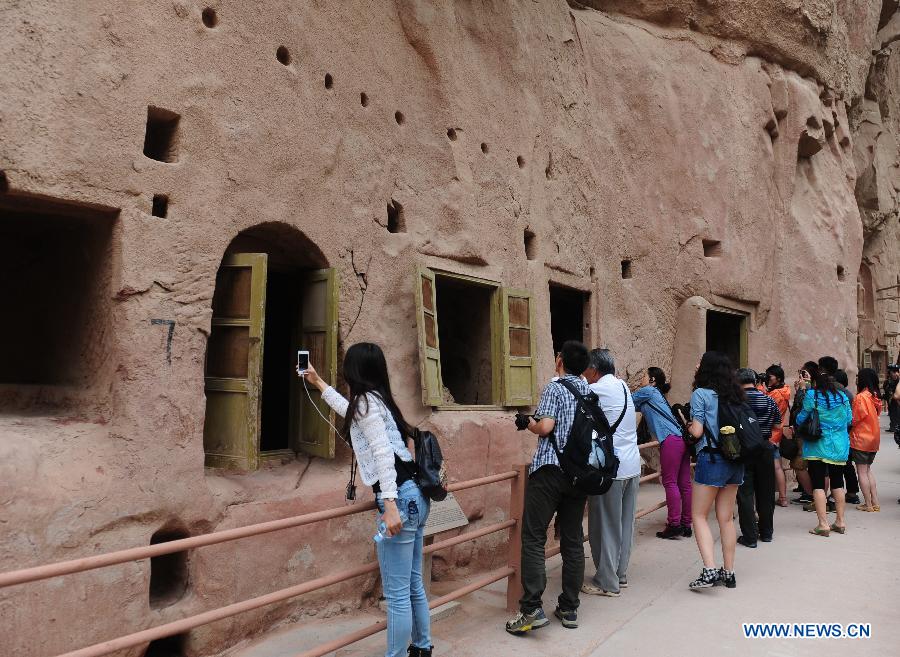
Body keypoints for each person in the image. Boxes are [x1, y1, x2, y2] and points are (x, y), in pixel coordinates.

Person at [299, 343, 433, 657]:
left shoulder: (367, 404)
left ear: (354, 370)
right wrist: (318, 382)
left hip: (399, 498)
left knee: (398, 594)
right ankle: (423, 647)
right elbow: (350, 412)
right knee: (413, 584)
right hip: (415, 494)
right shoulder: (375, 401)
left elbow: (384, 457)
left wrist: (389, 507)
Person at [506, 341, 591, 634]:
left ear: (560, 361)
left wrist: (528, 422)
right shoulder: (587, 391)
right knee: (572, 539)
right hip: (579, 475)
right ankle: (569, 607)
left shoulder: (555, 388)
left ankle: (531, 609)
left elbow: (546, 427)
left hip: (550, 471)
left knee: (533, 537)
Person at [582, 349, 639, 597]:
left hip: (610, 470)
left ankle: (606, 582)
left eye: (585, 369)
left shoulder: (596, 390)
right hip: (631, 465)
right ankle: (620, 573)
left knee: (604, 525)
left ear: (594, 370)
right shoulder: (623, 386)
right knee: (625, 523)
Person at [687, 351, 745, 590]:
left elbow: (697, 432)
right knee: (726, 518)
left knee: (699, 516)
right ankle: (728, 572)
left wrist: (689, 425)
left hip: (711, 459)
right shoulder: (735, 394)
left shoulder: (701, 394)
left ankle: (709, 570)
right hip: (735, 460)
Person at [632, 367, 692, 539]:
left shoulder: (648, 391)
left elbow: (626, 401)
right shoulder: (655, 395)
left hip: (670, 440)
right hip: (681, 439)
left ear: (652, 380)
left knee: (670, 481)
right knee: (684, 484)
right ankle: (686, 524)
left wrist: (618, 384)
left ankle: (674, 524)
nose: (641, 379)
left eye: (644, 376)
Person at [795, 368, 852, 537]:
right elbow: (849, 419)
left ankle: (823, 524)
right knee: (838, 483)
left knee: (818, 484)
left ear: (816, 384)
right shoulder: (842, 397)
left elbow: (801, 418)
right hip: (839, 446)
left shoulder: (813, 396)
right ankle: (840, 522)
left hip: (817, 446)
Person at [735, 369, 780, 547]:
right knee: (766, 492)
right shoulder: (768, 400)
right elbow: (777, 424)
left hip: (744, 450)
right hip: (764, 448)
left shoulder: (736, 401)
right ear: (755, 381)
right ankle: (767, 532)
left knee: (745, 494)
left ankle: (750, 537)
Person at [820, 359, 860, 505]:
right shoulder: (848, 394)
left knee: (835, 467)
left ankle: (836, 495)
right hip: (846, 433)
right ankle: (852, 492)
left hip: (837, 433)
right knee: (847, 465)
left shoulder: (837, 394)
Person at [786, 361, 819, 506]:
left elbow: (801, 408)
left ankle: (811, 495)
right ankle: (812, 494)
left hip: (804, 431)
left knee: (799, 464)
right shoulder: (819, 388)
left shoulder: (808, 390)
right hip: (813, 431)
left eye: (802, 372)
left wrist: (800, 389)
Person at [851, 368, 882, 512]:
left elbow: (855, 418)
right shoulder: (874, 396)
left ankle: (868, 504)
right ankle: (875, 502)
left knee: (861, 472)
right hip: (873, 439)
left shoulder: (861, 397)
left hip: (861, 439)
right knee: (868, 470)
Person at [765, 364, 791, 507]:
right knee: (778, 467)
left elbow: (765, 411)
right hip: (778, 432)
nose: (768, 378)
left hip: (770, 433)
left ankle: (779, 498)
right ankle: (783, 498)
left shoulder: (774, 394)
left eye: (770, 376)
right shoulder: (785, 391)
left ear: (778, 378)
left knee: (773, 467)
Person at [884, 364, 899, 434]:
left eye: (890, 372)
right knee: (892, 412)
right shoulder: (889, 380)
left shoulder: (897, 380)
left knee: (895, 412)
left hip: (896, 399)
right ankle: (892, 426)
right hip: (890, 399)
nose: (889, 373)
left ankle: (895, 427)